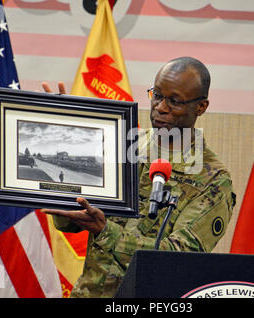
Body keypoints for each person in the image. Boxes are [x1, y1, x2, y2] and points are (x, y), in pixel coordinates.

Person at [41, 57, 236, 298]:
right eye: (157, 95)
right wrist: (64, 135)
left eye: (174, 101)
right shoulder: (122, 144)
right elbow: (67, 223)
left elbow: (178, 260)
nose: (160, 107)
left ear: (201, 107)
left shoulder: (213, 180)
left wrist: (105, 230)